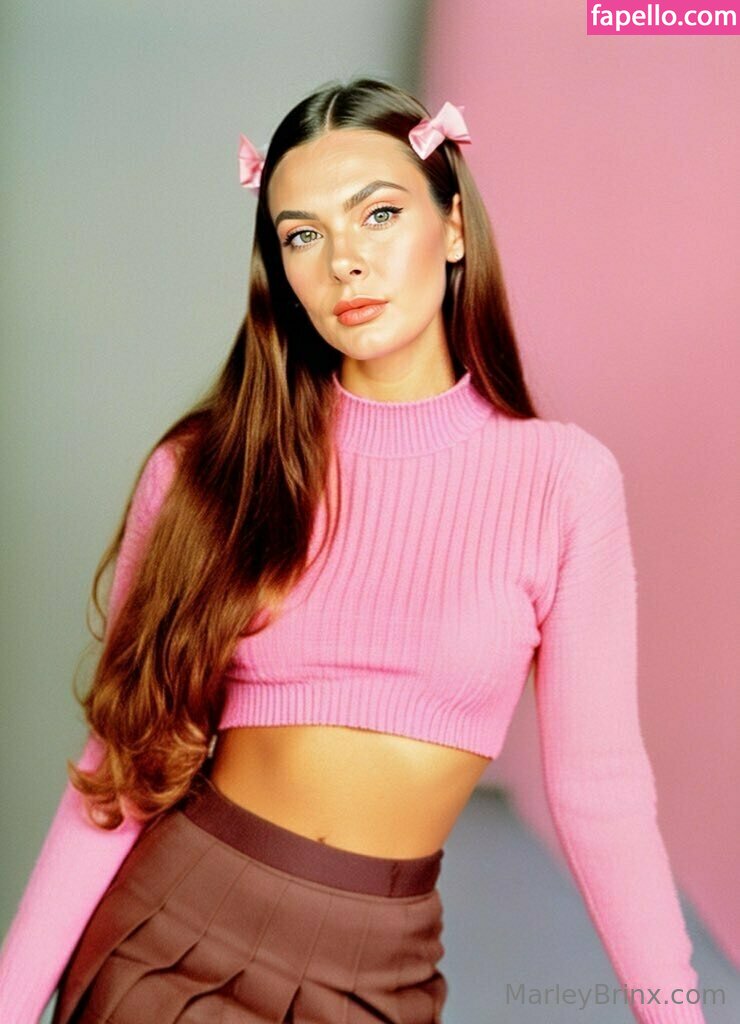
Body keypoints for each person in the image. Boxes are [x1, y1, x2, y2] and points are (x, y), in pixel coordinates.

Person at [0, 76, 707, 1024]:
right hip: (176, 944)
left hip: (387, 969)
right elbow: (119, 768)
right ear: (281, 270)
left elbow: (601, 794)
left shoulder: (564, 482)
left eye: (378, 214)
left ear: (452, 227)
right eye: (303, 235)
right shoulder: (207, 470)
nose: (345, 262)